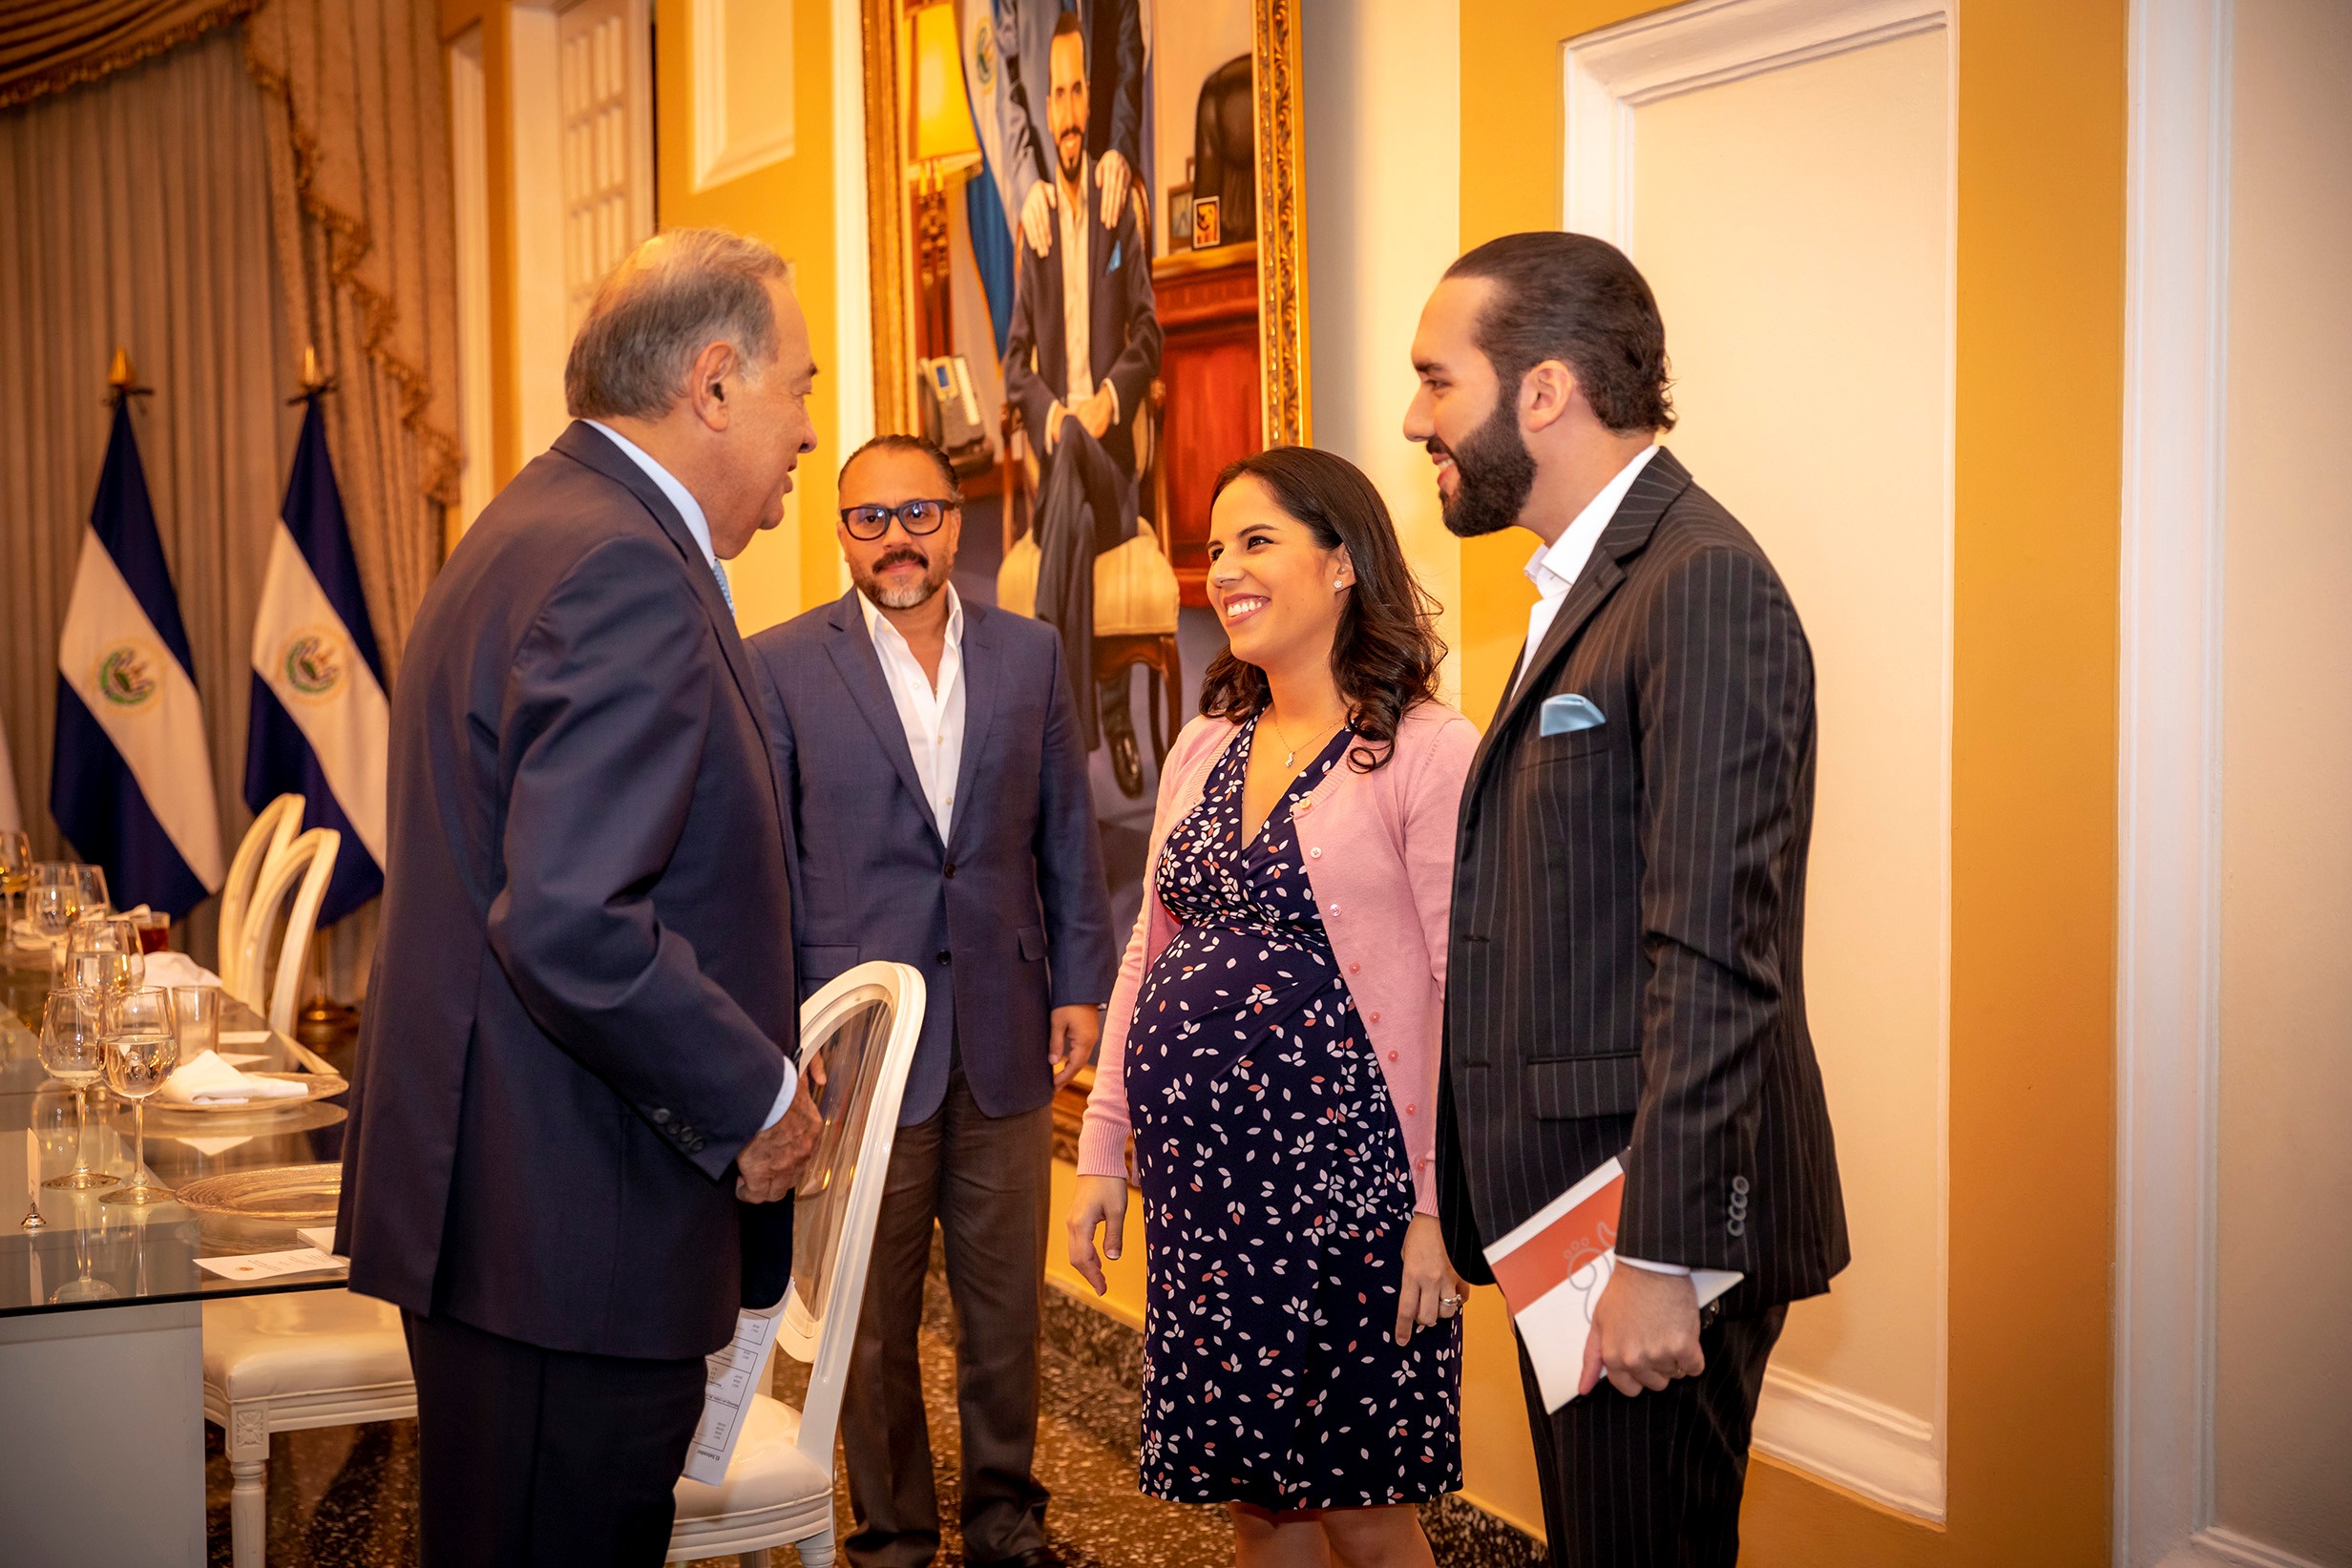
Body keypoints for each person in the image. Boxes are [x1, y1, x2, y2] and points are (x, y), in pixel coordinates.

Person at [335, 228, 825, 1568]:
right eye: (798, 386)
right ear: (713, 383)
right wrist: (756, 1095)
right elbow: (571, 919)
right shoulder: (622, 566)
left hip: (506, 1202)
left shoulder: (534, 524)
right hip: (569, 1222)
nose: (806, 430)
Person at [1406, 231, 1849, 1567]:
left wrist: (1659, 1255)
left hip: (1643, 1231)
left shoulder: (1697, 582)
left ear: (1543, 391)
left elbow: (1715, 950)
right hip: (1571, 1224)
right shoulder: (1587, 585)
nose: (1417, 419)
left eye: (1437, 380)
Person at [1067, 446, 1476, 1568]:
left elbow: (1462, 991)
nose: (1225, 570)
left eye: (1258, 540)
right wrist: (1105, 1141)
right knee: (1256, 1500)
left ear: (1342, 562)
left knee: (1365, 1507)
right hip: (1207, 1194)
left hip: (1353, 1194)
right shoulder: (1207, 743)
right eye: (1215, 548)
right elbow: (1148, 947)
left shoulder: (1424, 749)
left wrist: (1440, 1208)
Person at [746, 433, 1118, 1568]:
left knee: (1006, 1308)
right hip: (858, 1050)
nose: (896, 537)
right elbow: (763, 865)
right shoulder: (778, 664)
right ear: (841, 533)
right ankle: (894, 1533)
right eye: (870, 517)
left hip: (1006, 1027)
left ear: (956, 521)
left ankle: (1007, 1517)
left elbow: (1067, 828)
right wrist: (788, 1025)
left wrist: (1082, 982)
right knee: (869, 1319)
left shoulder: (1029, 652)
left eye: (919, 512)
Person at [1002, 10, 1164, 794]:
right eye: (1056, 95)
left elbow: (1149, 336)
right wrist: (1053, 416)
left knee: (1074, 443)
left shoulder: (1116, 202)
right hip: (1061, 481)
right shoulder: (1033, 226)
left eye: (1077, 92)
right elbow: (1015, 365)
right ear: (1044, 106)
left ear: (1091, 99)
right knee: (1062, 449)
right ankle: (1106, 716)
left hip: (1111, 473)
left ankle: (1052, 735)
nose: (1068, 111)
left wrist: (1104, 401)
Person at [997, 0, 1144, 259]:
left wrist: (1120, 149)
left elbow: (1129, 60)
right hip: (1045, 196)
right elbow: (1006, 85)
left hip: (1108, 189)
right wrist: (1027, 181)